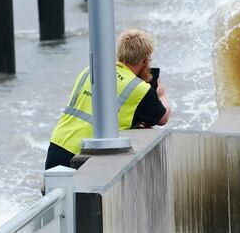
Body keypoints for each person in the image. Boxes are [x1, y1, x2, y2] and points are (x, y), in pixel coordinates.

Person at [45, 29, 171, 170]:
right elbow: (163, 118)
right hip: (88, 153)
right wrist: (161, 92)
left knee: (55, 191)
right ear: (145, 59)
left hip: (59, 143)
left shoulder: (89, 71)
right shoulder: (140, 89)